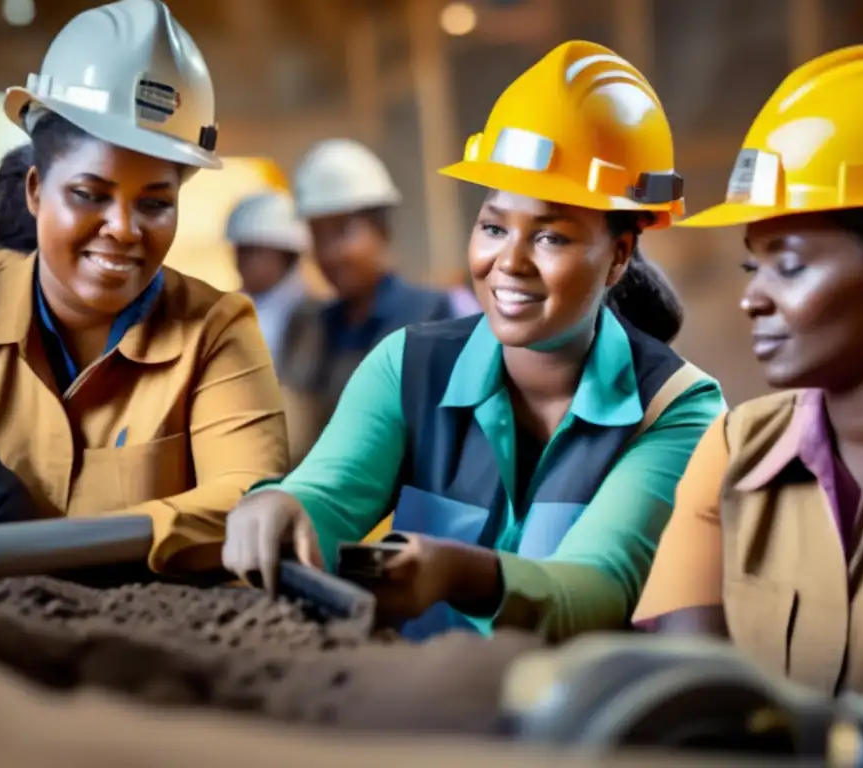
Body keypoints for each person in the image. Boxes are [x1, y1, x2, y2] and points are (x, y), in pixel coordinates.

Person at [222, 41, 726, 643]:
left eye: (551, 238)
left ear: (618, 255)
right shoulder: (408, 364)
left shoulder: (678, 411)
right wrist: (282, 505)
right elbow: (328, 492)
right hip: (411, 714)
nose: (507, 263)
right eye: (492, 227)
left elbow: (597, 584)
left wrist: (463, 573)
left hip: (569, 724)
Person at [0, 0, 288, 573]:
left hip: (136, 651)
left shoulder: (216, 332)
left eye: (155, 203)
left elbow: (249, 502)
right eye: (89, 194)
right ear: (36, 191)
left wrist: (48, 541)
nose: (123, 230)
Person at [632, 44, 863, 704]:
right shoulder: (733, 452)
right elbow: (693, 709)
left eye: (788, 266)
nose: (752, 298)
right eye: (751, 266)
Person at [276, 138, 455, 462]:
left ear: (382, 229)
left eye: (344, 231)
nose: (330, 252)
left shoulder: (429, 316)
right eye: (318, 234)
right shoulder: (313, 326)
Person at [225, 190, 311, 371]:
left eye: (255, 251)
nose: (244, 260)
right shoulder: (227, 308)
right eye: (241, 250)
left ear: (285, 254)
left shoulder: (309, 312)